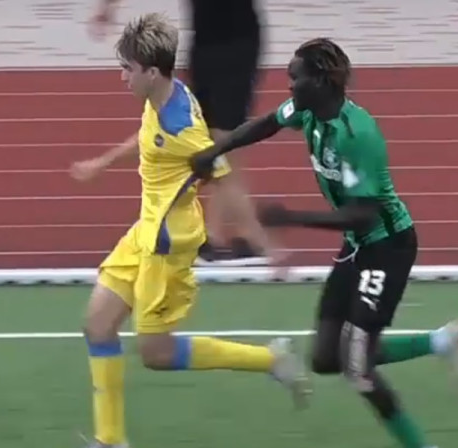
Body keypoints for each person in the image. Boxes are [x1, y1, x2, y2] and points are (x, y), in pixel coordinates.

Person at [189, 37, 458, 448]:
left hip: (387, 247)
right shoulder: (308, 111)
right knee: (325, 358)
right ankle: (442, 341)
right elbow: (267, 123)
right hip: (359, 245)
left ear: (321, 81)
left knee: (358, 370)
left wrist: (293, 218)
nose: (289, 85)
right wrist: (218, 148)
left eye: (296, 78)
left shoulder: (357, 135)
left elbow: (364, 215)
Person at [69, 13, 311, 448]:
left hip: (169, 247)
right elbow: (147, 139)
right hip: (146, 230)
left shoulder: (184, 129)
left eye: (127, 69)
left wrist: (266, 246)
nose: (122, 77)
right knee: (98, 325)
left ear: (152, 72)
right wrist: (102, 163)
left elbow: (226, 180)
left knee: (156, 354)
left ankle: (271, 359)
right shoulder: (164, 94)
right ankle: (111, 440)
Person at [89, 0, 269, 266]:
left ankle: (247, 240)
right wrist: (107, 8)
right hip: (203, 45)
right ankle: (216, 239)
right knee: (206, 138)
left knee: (223, 144)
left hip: (237, 45)